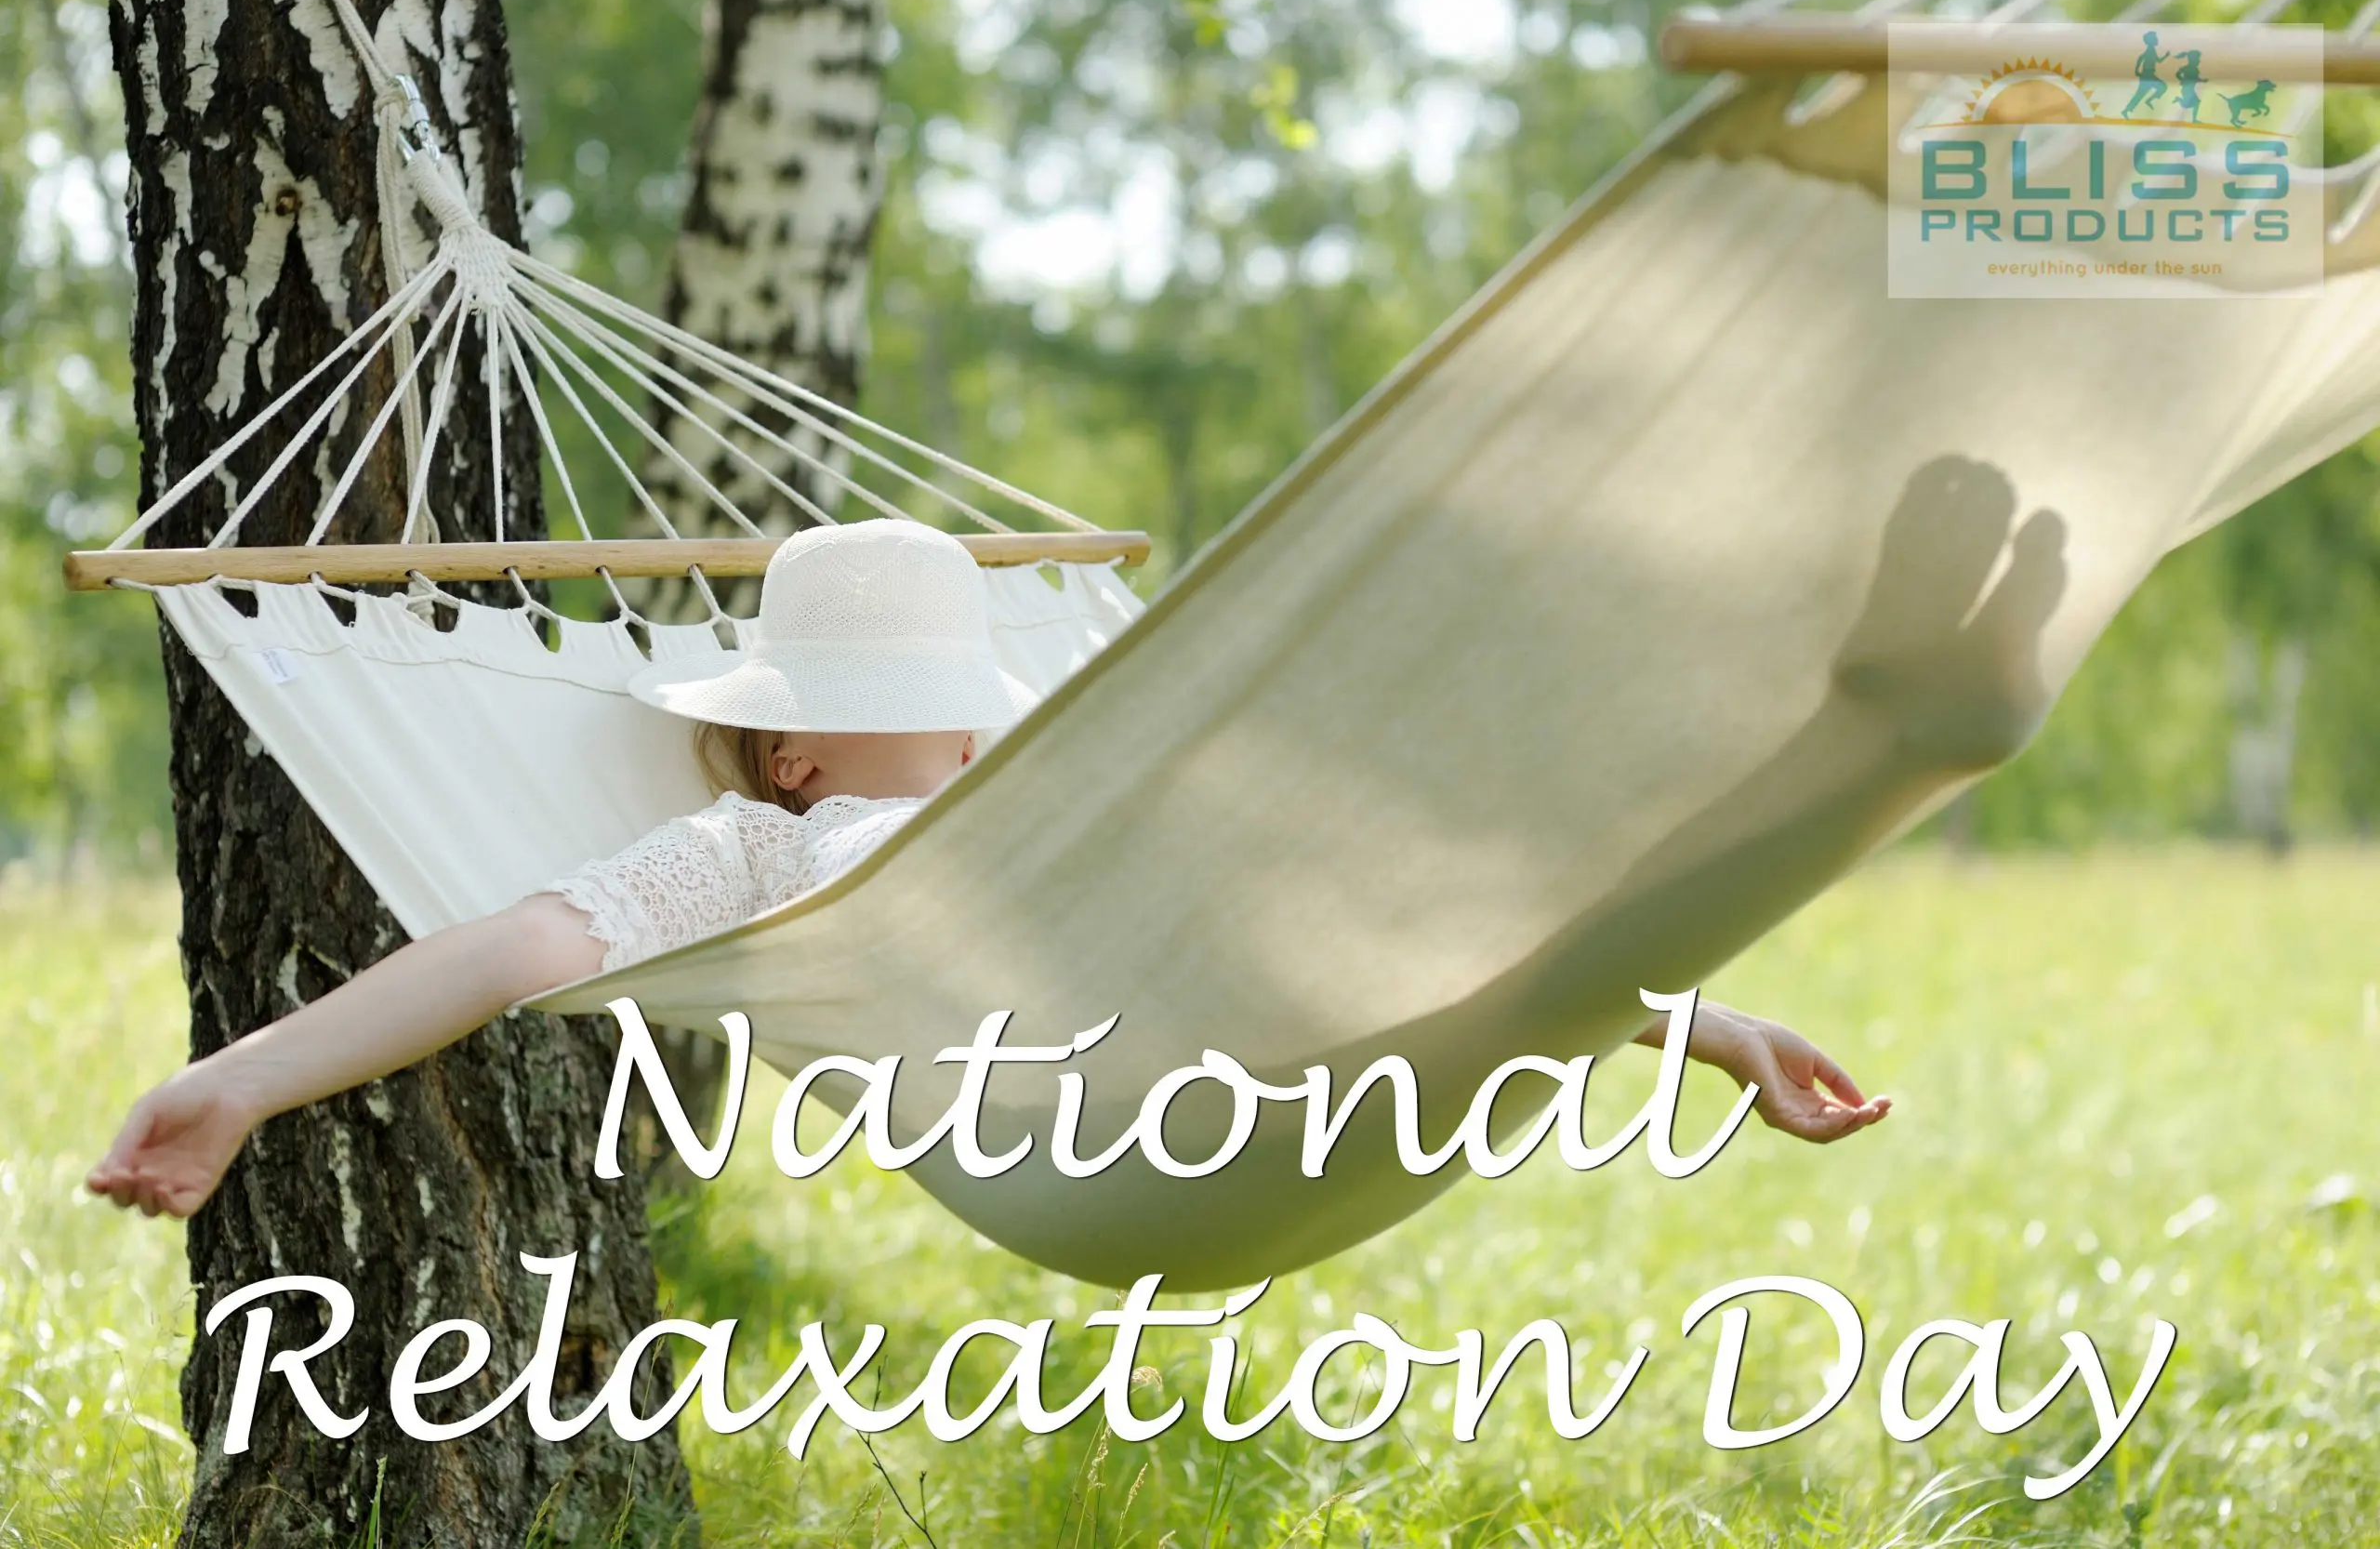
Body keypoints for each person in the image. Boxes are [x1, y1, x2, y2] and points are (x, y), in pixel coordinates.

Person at [86, 521, 1889, 1222]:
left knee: (1437, 909)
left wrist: (1704, 1027)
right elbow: (502, 947)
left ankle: (1775, 868)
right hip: (1074, 1128)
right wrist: (239, 1079)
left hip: (1238, 1050)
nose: (965, 732)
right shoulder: (758, 850)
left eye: (967, 704)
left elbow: (1384, 931)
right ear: (793, 747)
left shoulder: (1051, 797)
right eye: (926, 709)